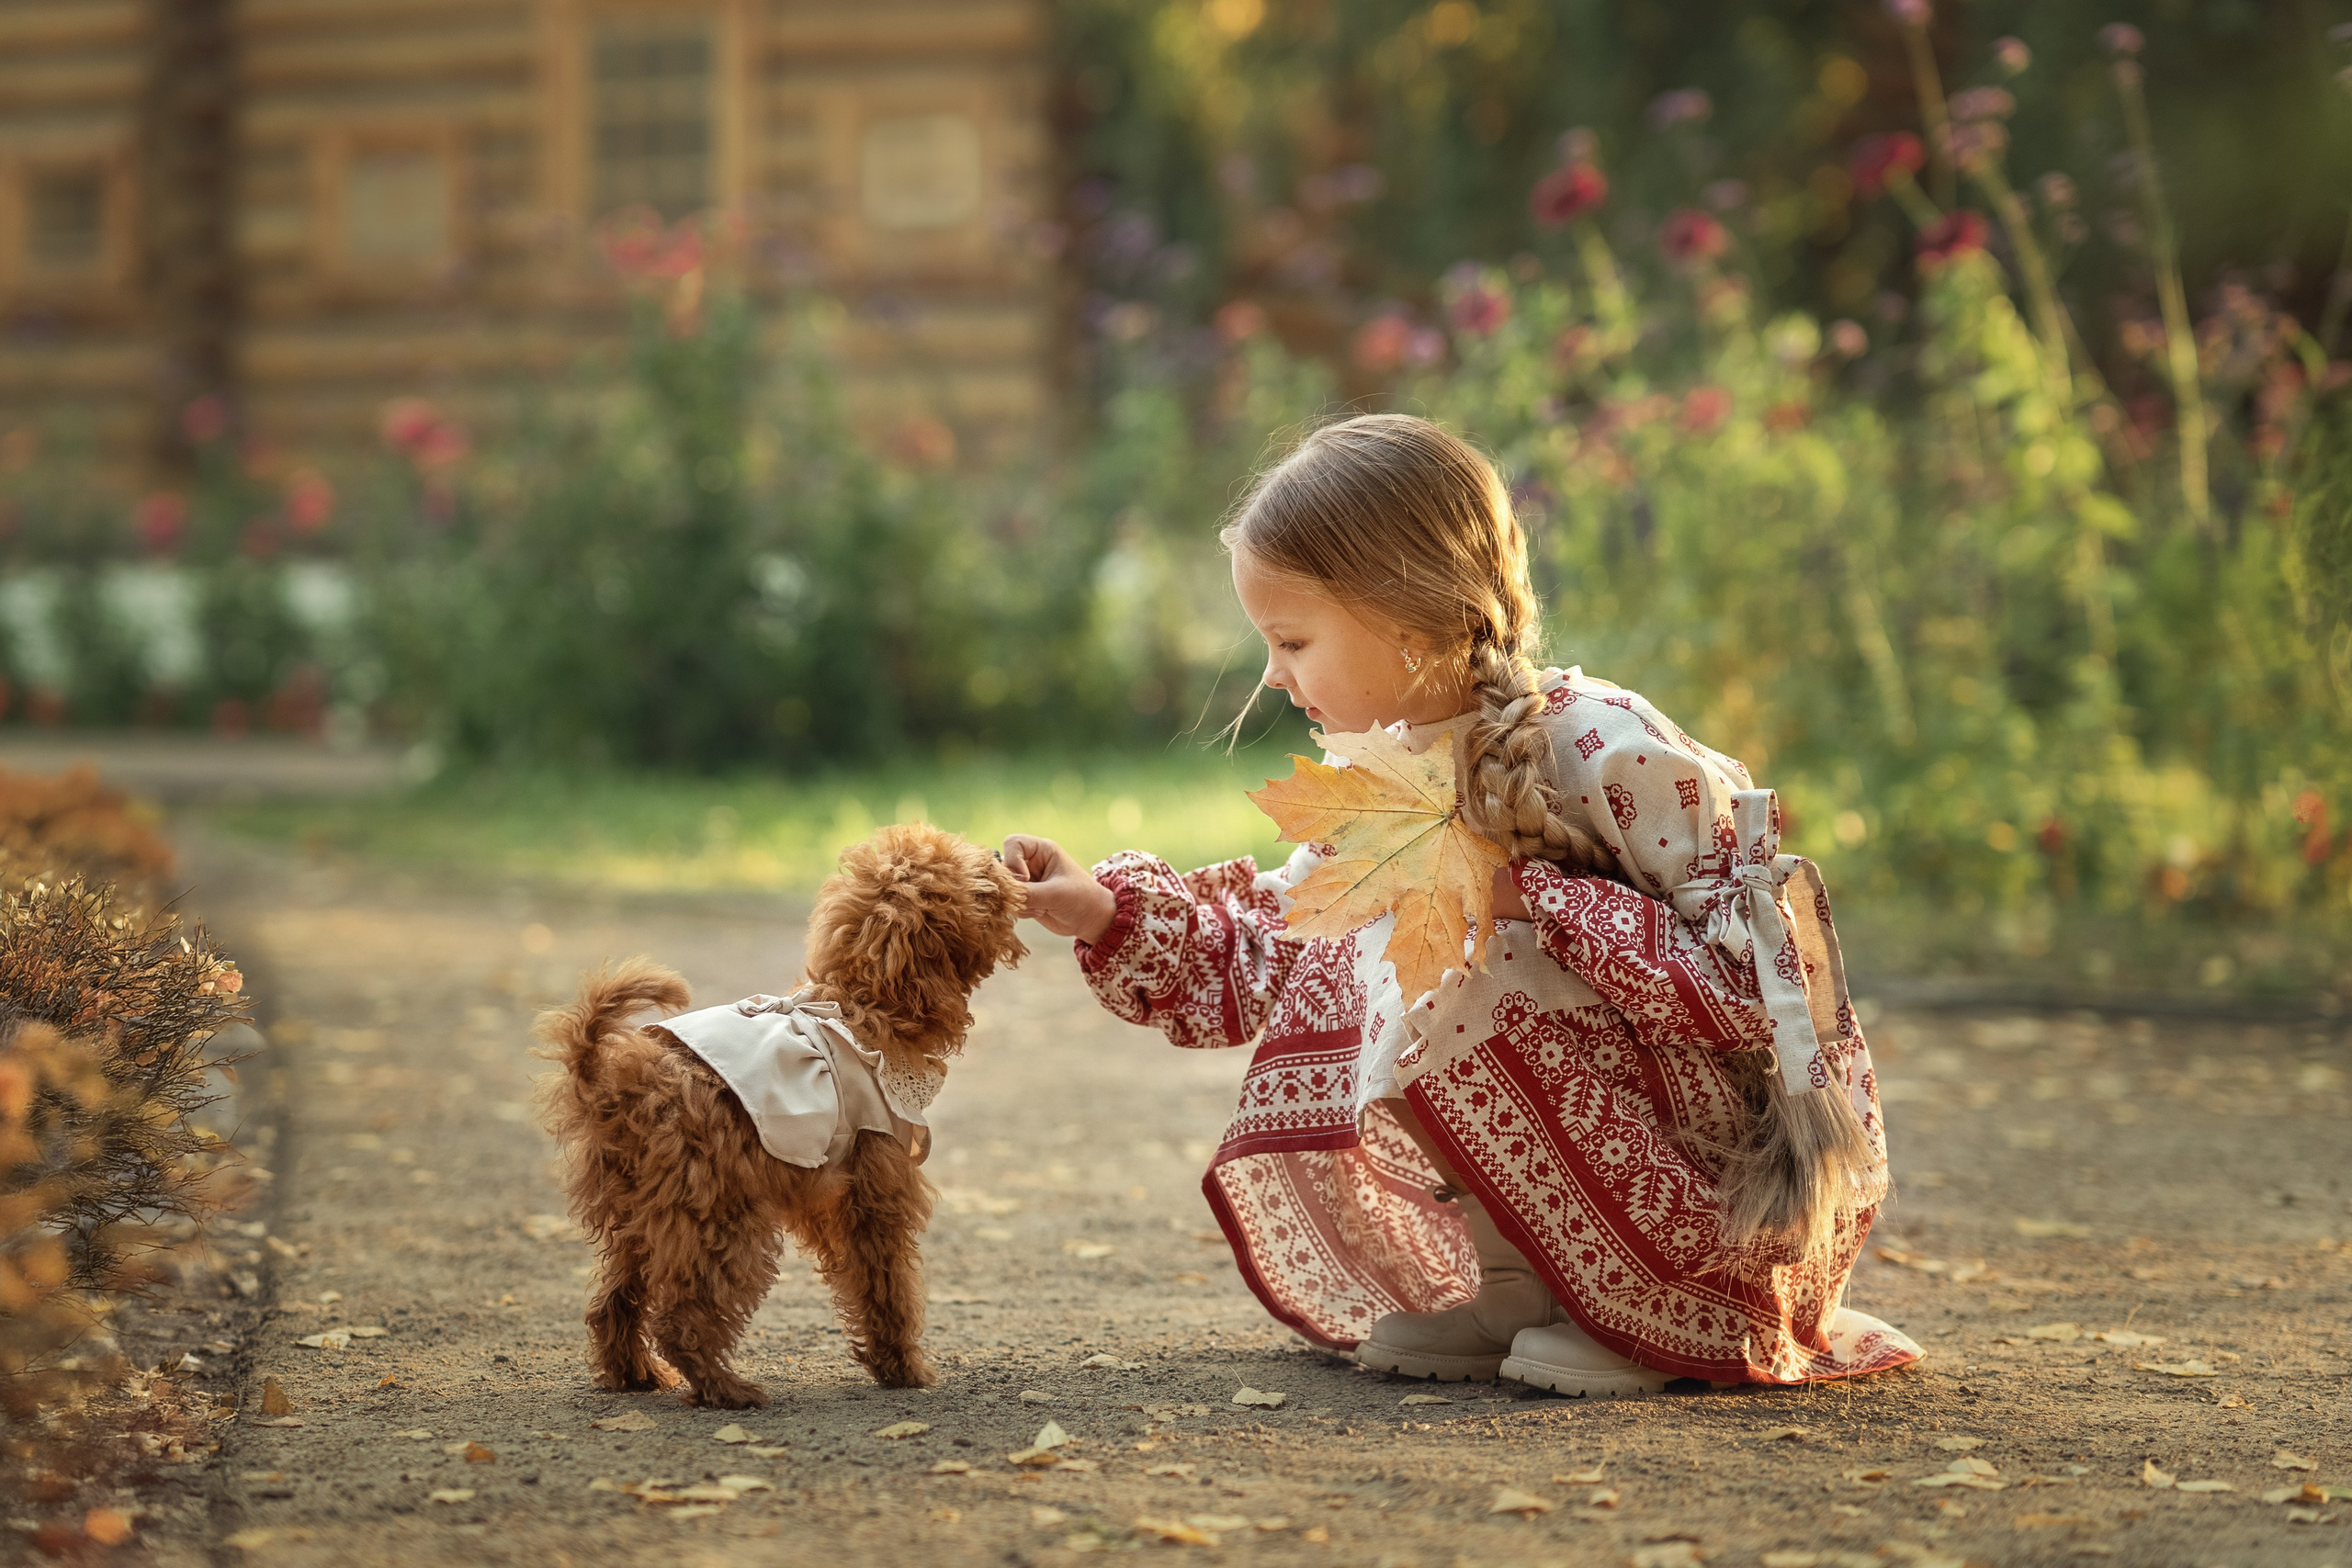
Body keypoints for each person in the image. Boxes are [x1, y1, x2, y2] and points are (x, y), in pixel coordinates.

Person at [1006, 413, 1917, 1393]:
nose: (1273, 673)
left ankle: (1653, 1299)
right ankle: (1521, 1283)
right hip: (1600, 1143)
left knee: (1477, 959)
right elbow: (1273, 948)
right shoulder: (1385, 784)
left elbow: (1760, 983)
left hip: (1730, 1190)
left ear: (1404, 618)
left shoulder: (1603, 748)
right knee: (1367, 952)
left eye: (1292, 639)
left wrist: (1529, 899)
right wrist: (1103, 911)